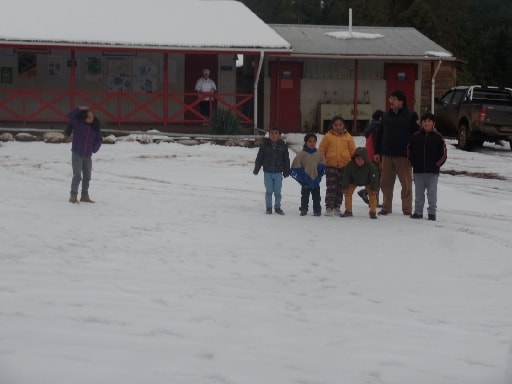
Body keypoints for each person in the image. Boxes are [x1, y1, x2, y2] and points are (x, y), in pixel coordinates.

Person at [374, 90, 419, 216]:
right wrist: (377, 151)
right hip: (387, 154)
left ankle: (407, 208)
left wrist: (414, 153)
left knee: (406, 183)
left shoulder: (411, 115)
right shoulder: (386, 116)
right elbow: (380, 134)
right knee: (385, 183)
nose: (391, 101)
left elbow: (416, 135)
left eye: (394, 99)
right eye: (390, 99)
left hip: (403, 155)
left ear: (401, 101)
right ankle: (386, 207)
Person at [407, 112, 447, 221]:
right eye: (424, 121)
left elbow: (443, 153)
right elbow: (409, 150)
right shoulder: (415, 136)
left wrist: (437, 165)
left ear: (433, 123)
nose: (427, 123)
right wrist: (412, 162)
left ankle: (432, 213)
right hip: (418, 171)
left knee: (432, 193)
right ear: (421, 123)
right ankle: (418, 212)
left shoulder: (438, 137)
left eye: (429, 121)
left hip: (432, 172)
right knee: (418, 193)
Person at [319, 115, 356, 216]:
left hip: (345, 166)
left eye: (340, 125)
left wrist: (354, 164)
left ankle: (337, 206)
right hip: (331, 165)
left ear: (343, 125)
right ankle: (329, 207)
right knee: (331, 187)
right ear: (332, 126)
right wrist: (322, 163)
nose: (338, 127)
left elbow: (353, 152)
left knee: (341, 187)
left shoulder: (348, 137)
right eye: (335, 125)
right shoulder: (327, 136)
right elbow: (321, 151)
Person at [66, 106, 102, 204]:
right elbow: (70, 116)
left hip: (88, 155)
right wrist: (79, 108)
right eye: (89, 115)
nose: (91, 116)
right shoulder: (78, 124)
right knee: (77, 175)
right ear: (85, 117)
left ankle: (84, 196)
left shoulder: (95, 127)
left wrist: (94, 149)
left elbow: (99, 140)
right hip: (77, 153)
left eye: (92, 114)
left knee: (87, 176)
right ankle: (73, 196)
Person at [253, 126, 290, 215]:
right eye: (272, 133)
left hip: (278, 172)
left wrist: (286, 171)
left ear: (279, 135)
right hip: (267, 172)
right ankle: (268, 207)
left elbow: (286, 159)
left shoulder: (283, 146)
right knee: (269, 191)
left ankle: (277, 207)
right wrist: (256, 169)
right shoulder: (264, 146)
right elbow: (259, 158)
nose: (274, 135)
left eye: (276, 133)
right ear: (269, 135)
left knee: (277, 191)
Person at [290, 133, 326, 216]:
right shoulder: (301, 154)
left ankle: (317, 210)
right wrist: (303, 176)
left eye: (314, 141)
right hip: (305, 179)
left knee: (316, 196)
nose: (312, 143)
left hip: (315, 179)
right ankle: (304, 209)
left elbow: (323, 161)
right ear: (306, 142)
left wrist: (321, 166)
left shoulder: (318, 153)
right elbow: (296, 165)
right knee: (305, 196)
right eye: (310, 141)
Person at [340, 147, 380, 219]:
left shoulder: (371, 166)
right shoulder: (350, 165)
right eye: (358, 159)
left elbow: (374, 177)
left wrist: (374, 189)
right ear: (354, 158)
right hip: (353, 181)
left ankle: (373, 212)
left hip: (367, 182)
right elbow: (346, 176)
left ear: (366, 159)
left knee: (373, 194)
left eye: (362, 159)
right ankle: (348, 211)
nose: (360, 161)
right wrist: (345, 187)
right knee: (348, 193)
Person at [358, 109, 383, 207]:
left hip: (369, 155)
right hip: (375, 156)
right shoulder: (378, 128)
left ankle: (369, 195)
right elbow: (378, 144)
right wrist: (380, 156)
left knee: (374, 178)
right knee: (377, 179)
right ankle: (372, 198)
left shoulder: (371, 127)